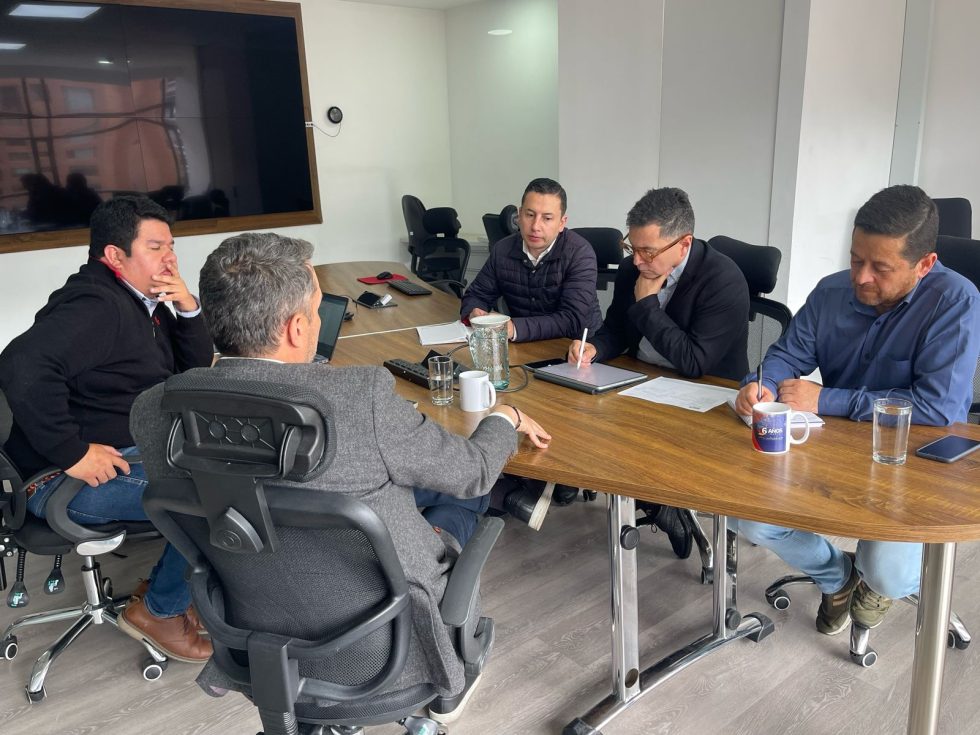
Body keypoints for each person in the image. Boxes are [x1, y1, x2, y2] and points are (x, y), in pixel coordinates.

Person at [128, 232, 551, 718]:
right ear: (295, 328)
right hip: (392, 645)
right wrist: (504, 419)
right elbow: (472, 471)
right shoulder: (358, 399)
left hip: (253, 630)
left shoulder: (152, 411)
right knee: (462, 498)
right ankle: (448, 683)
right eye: (314, 311)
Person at [733, 184, 980, 636]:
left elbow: (937, 407)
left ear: (925, 264)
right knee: (746, 515)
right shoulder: (831, 292)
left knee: (888, 574)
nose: (862, 277)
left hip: (912, 458)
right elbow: (786, 356)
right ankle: (838, 578)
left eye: (880, 268)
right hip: (834, 446)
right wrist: (761, 383)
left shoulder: (957, 302)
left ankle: (876, 581)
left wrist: (825, 398)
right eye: (855, 259)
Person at [0, 195, 215, 662]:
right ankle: (159, 611)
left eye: (171, 247)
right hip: (60, 480)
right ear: (115, 255)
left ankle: (165, 592)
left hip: (127, 449)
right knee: (217, 501)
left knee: (222, 473)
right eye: (155, 247)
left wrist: (187, 307)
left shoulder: (139, 301)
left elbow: (192, 373)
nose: (170, 258)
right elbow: (21, 365)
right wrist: (72, 452)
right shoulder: (97, 304)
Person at [568, 186, 750, 558]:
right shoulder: (634, 268)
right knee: (585, 418)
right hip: (644, 383)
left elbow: (695, 362)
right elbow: (617, 329)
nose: (637, 260)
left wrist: (648, 303)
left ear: (684, 244)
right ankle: (658, 503)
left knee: (643, 443)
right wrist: (595, 348)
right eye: (631, 247)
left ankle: (662, 502)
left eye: (647, 251)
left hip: (707, 400)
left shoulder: (723, 279)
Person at [461, 178, 603, 521]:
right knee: (501, 395)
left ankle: (556, 476)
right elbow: (475, 293)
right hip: (524, 354)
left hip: (576, 354)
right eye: (529, 214)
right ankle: (524, 478)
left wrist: (513, 328)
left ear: (562, 222)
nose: (535, 225)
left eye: (547, 217)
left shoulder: (580, 253)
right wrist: (475, 312)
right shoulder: (504, 250)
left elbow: (572, 319)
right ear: (518, 215)